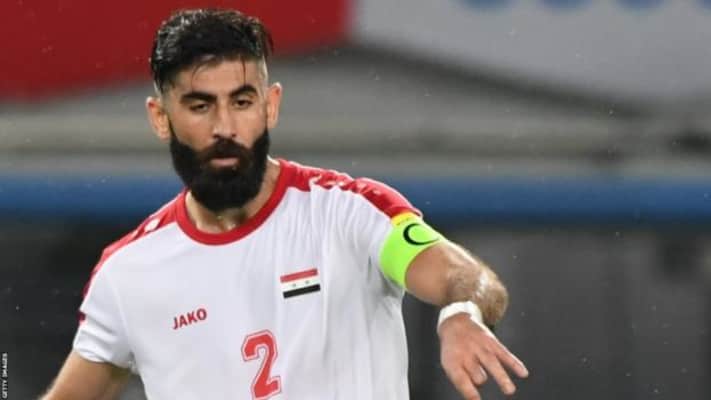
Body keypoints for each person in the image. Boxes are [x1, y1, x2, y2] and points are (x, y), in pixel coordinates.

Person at [42, 8, 528, 400]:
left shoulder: (350, 213)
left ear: (270, 105)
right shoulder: (127, 274)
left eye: (242, 101)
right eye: (200, 106)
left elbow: (465, 276)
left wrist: (461, 312)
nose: (225, 128)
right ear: (160, 117)